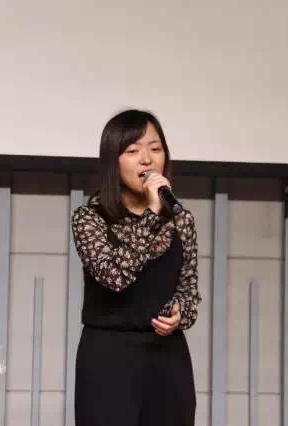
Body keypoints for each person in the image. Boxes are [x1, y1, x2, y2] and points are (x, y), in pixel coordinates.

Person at [71, 109, 202, 426]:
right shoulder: (90, 218)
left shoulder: (181, 220)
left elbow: (189, 293)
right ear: (112, 161)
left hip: (166, 357)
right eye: (133, 151)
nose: (147, 159)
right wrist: (152, 214)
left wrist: (180, 313)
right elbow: (116, 276)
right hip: (108, 358)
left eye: (155, 148)